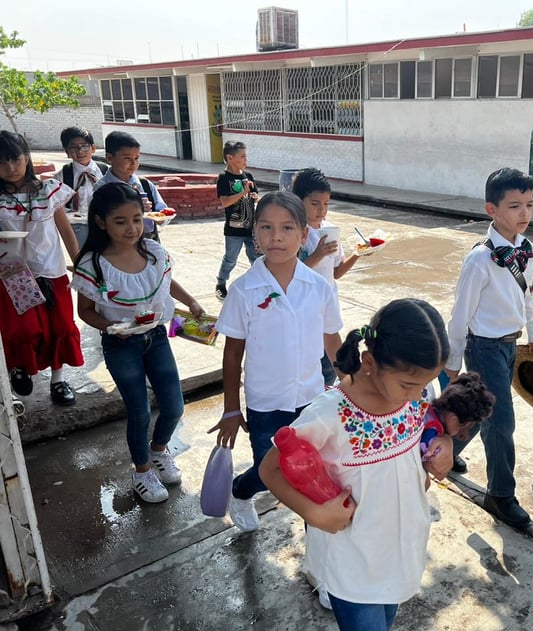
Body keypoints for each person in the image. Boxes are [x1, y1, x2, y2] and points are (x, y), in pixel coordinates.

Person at [258, 298, 452, 631]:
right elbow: (269, 469)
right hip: (354, 559)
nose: (418, 394)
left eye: (424, 384)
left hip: (401, 546)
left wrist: (442, 445)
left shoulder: (413, 395)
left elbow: (426, 429)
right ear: (369, 362)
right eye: (409, 384)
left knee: (387, 619)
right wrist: (314, 513)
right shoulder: (329, 414)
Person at [207, 191, 343, 532]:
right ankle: (241, 490)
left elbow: (332, 340)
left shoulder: (319, 287)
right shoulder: (244, 290)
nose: (276, 237)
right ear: (255, 234)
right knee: (271, 472)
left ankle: (319, 547)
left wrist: (352, 387)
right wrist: (231, 408)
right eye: (266, 227)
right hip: (265, 403)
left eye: (286, 228)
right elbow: (233, 352)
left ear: (303, 234)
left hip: (311, 400)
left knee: (314, 471)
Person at [71, 183, 205, 503]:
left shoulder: (154, 252)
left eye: (137, 219)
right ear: (101, 222)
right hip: (121, 345)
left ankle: (159, 451)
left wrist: (193, 304)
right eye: (121, 221)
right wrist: (111, 327)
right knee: (140, 412)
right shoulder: (93, 264)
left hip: (157, 337)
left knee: (174, 406)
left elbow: (168, 285)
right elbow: (85, 311)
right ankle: (142, 471)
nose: (132, 228)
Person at [444, 167, 533, 530]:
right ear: (491, 210)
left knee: (478, 410)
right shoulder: (479, 260)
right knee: (502, 422)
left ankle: (446, 451)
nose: (524, 214)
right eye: (515, 206)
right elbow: (460, 315)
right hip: (483, 348)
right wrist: (453, 360)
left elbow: (530, 297)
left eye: (529, 205)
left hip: (510, 346)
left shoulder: (527, 251)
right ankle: (500, 495)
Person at [0, 130, 83, 406]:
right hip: (13, 275)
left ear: (27, 157)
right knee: (22, 329)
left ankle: (58, 380)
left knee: (59, 326)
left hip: (52, 271)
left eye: (15, 159)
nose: (11, 168)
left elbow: (65, 229)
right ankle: (19, 368)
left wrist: (81, 264)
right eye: (2, 162)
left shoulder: (48, 191)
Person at [292, 167, 360, 386]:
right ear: (299, 201)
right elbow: (290, 273)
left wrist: (359, 253)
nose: (321, 210)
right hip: (302, 308)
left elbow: (336, 273)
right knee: (306, 362)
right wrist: (317, 254)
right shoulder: (293, 232)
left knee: (329, 362)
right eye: (315, 204)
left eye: (326, 204)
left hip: (327, 305)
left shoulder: (330, 230)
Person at [94, 131, 166, 241]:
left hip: (148, 241)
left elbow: (161, 211)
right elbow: (99, 220)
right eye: (127, 158)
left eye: (136, 158)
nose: (133, 163)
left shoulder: (144, 184)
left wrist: (161, 217)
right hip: (115, 244)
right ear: (109, 158)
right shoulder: (101, 188)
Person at [214, 140, 259, 301]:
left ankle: (260, 283)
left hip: (250, 227)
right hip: (234, 229)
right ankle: (221, 283)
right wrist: (243, 192)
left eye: (246, 156)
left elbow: (254, 196)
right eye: (242, 156)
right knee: (230, 258)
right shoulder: (224, 178)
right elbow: (225, 201)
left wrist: (254, 196)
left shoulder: (248, 176)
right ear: (230, 158)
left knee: (256, 257)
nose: (245, 160)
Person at [420, 371, 496, 463]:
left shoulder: (426, 407)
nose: (461, 432)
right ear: (453, 419)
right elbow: (426, 464)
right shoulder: (432, 435)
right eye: (462, 427)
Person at [59, 126, 107, 247]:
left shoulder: (106, 171)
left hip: (105, 225)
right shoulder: (61, 176)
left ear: (93, 148)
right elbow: (57, 206)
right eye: (74, 147)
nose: (80, 151)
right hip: (76, 227)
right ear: (67, 151)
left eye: (84, 146)